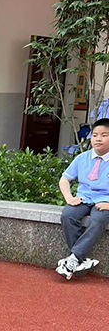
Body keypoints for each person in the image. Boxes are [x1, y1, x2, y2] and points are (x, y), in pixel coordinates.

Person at [57, 119, 109, 279]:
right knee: (68, 215)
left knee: (98, 219)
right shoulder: (82, 158)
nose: (98, 139)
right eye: (95, 135)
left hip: (105, 200)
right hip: (84, 197)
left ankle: (73, 259)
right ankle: (79, 259)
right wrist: (69, 198)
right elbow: (64, 179)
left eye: (104, 135)